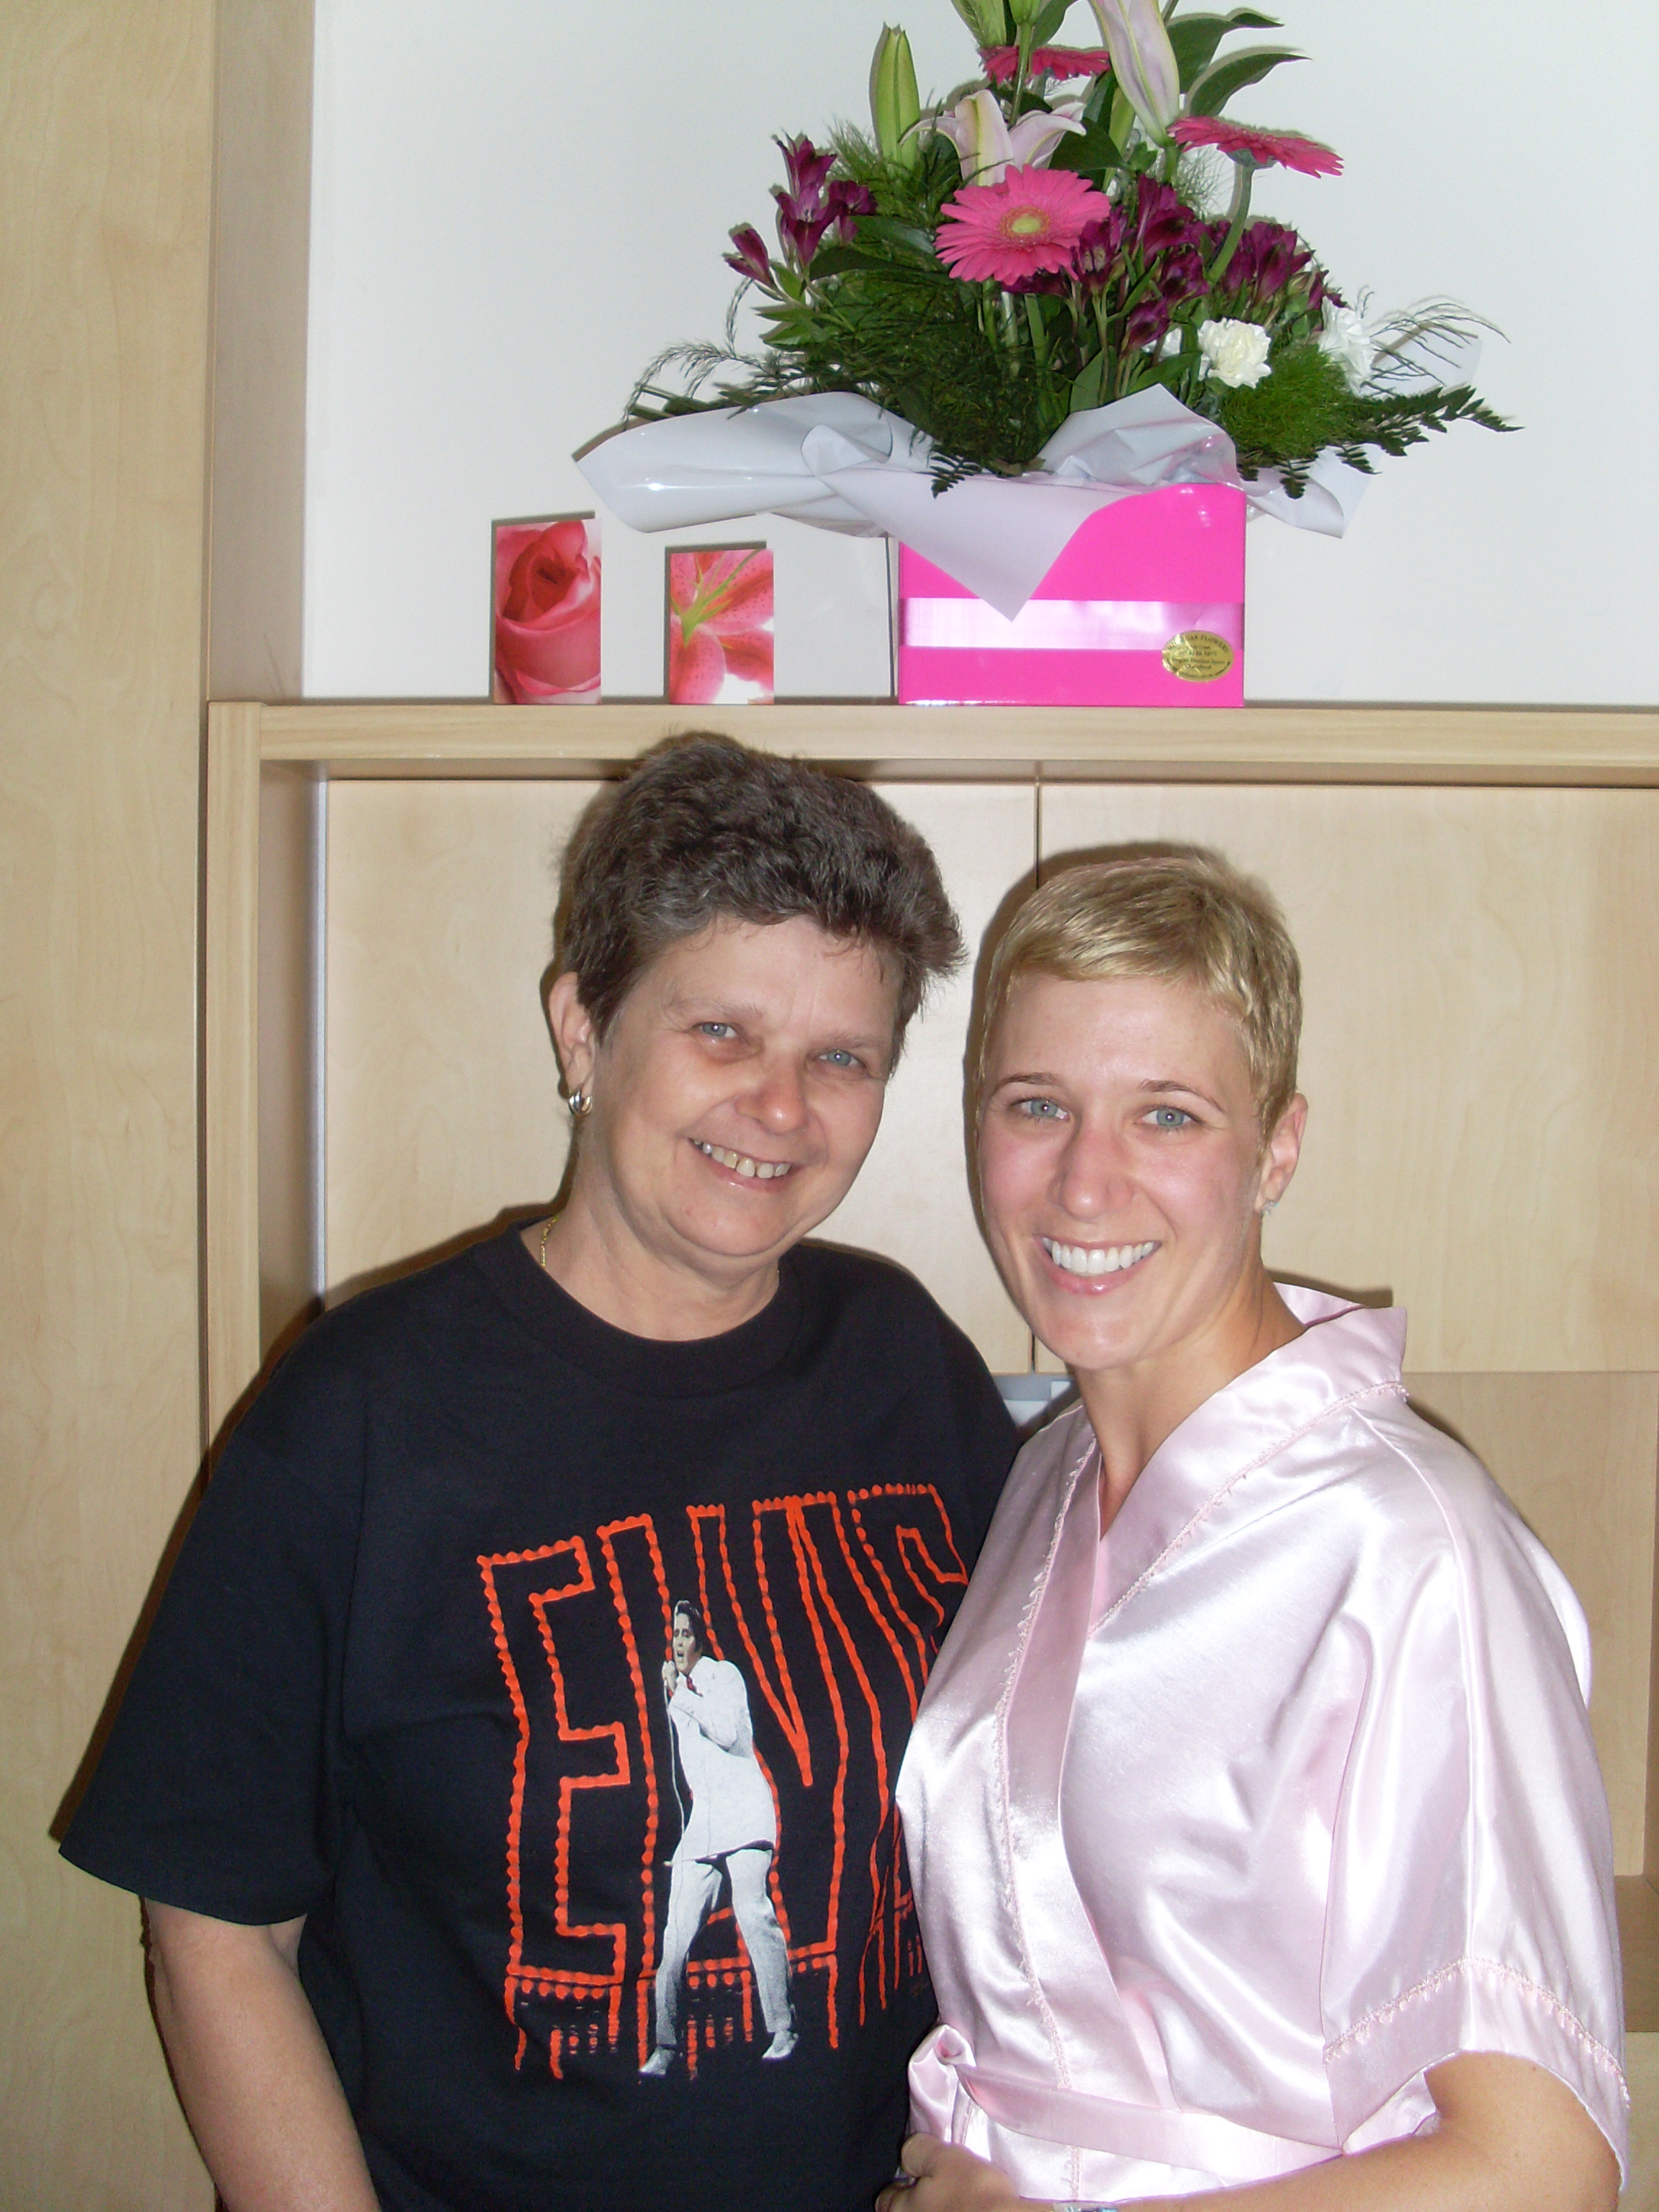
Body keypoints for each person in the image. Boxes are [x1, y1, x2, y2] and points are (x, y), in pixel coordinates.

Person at [61, 733, 1018, 2212]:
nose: (782, 1106)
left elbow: (1036, 1813)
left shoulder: (903, 1363)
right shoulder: (358, 1413)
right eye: (721, 1032)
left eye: (841, 1057)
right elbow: (213, 1927)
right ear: (583, 1028)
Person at [881, 851, 1625, 2212]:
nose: (1084, 1183)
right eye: (1037, 1104)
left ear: (1277, 1147)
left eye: (1166, 1116)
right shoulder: (1045, 1483)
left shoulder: (1407, 1547)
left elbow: (1538, 2168)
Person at [646, 1598, 793, 2075]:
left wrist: (680, 1694)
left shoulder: (723, 1675)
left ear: (700, 1639)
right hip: (705, 1820)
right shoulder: (677, 1694)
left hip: (745, 1808)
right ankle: (666, 2045)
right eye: (674, 1635)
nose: (679, 1642)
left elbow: (728, 1732)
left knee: (752, 1910)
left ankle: (783, 2027)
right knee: (674, 1937)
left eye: (686, 1634)